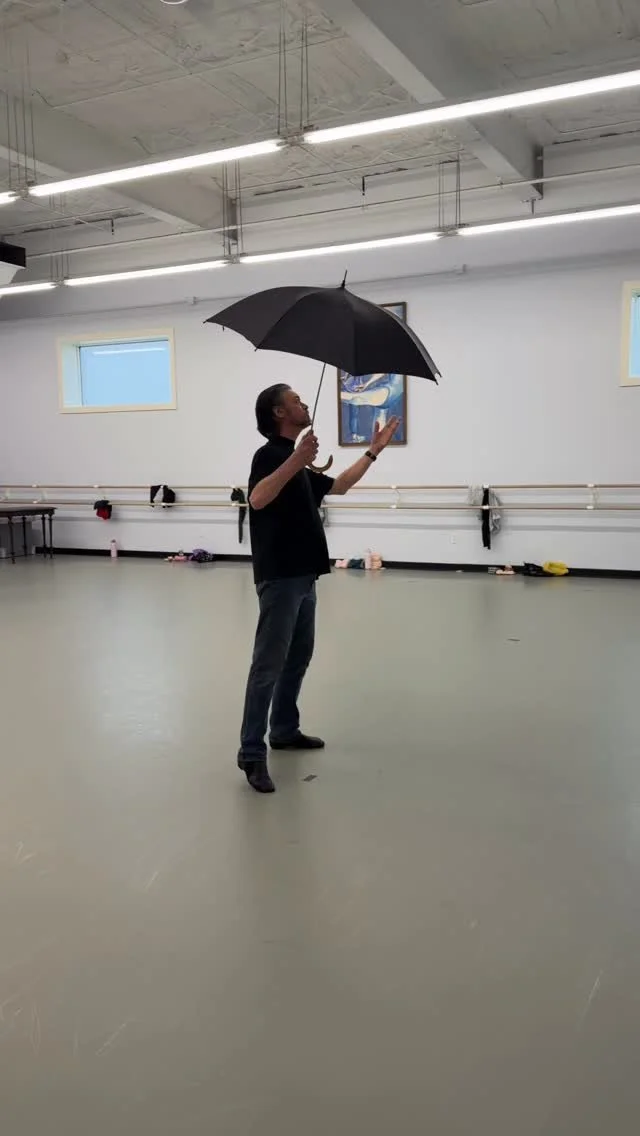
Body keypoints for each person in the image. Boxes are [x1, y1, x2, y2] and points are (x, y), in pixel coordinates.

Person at [237, 382, 400, 793]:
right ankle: (251, 752)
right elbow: (258, 498)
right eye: (295, 400)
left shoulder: (295, 464)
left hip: (304, 576)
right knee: (268, 665)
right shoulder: (269, 455)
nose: (303, 403)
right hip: (280, 577)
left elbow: (340, 485)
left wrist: (373, 451)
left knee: (297, 657)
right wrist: (297, 459)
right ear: (279, 413)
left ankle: (284, 730)